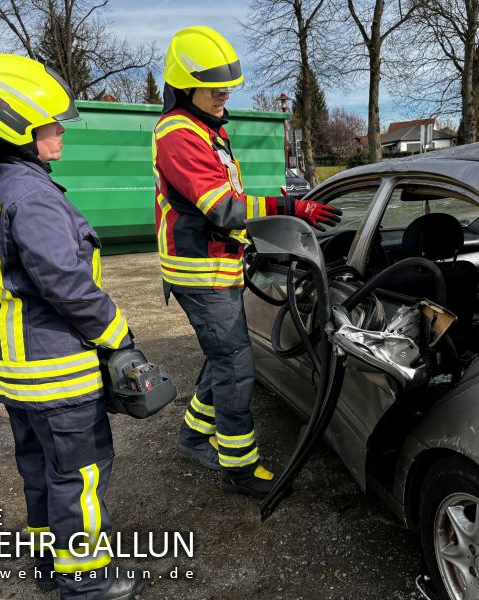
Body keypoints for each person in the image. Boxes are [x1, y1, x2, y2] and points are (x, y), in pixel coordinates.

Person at [0, 54, 145, 600]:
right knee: (79, 479)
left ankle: (50, 566)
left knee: (38, 469)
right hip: (53, 369)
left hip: (12, 368)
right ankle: (86, 583)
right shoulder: (34, 196)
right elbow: (65, 283)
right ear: (18, 129)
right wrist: (117, 335)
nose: (60, 131)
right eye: (50, 124)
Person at [152, 27, 342, 498]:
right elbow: (222, 208)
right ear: (184, 86)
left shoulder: (206, 127)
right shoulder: (179, 135)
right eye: (215, 90)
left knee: (223, 358)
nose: (223, 97)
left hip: (218, 264)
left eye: (227, 89)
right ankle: (239, 468)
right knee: (237, 369)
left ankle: (195, 434)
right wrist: (288, 209)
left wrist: (258, 231)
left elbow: (224, 204)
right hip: (201, 273)